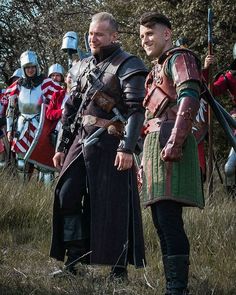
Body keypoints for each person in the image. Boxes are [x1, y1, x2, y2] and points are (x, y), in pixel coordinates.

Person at [50, 12, 147, 279]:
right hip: (81, 140)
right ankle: (75, 256)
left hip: (112, 144)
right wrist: (61, 146)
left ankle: (119, 269)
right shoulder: (81, 66)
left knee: (113, 204)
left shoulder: (129, 64)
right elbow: (70, 110)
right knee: (66, 194)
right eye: (91, 34)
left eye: (99, 34)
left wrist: (127, 148)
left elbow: (137, 111)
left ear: (114, 36)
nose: (93, 39)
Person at [139, 12, 204, 294]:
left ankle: (178, 289)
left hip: (170, 144)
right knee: (161, 221)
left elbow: (190, 95)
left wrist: (176, 142)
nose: (145, 40)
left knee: (169, 219)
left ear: (167, 33)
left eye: (150, 33)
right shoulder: (156, 68)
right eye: (141, 36)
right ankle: (172, 286)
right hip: (154, 148)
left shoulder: (180, 58)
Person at [6, 50, 62, 181]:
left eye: (32, 67)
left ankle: (46, 194)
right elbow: (10, 108)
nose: (30, 70)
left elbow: (61, 97)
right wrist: (9, 129)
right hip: (22, 127)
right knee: (22, 163)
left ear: (36, 67)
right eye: (27, 68)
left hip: (40, 126)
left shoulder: (46, 83)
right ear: (23, 69)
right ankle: (22, 192)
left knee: (44, 164)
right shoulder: (18, 85)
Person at [204, 44, 236, 195]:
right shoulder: (230, 77)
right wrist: (206, 69)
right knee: (229, 168)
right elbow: (210, 91)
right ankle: (231, 198)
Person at [46, 72, 73, 149]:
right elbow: (49, 114)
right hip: (58, 133)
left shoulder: (81, 97)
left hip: (74, 135)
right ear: (65, 79)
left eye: (74, 77)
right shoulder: (58, 95)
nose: (72, 80)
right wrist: (62, 111)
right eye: (70, 77)